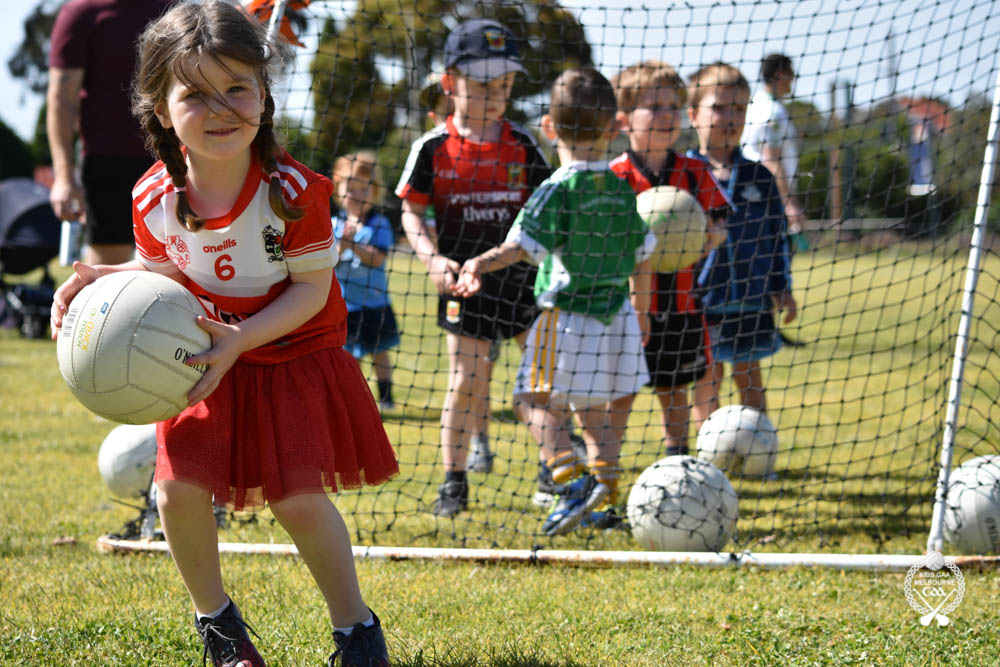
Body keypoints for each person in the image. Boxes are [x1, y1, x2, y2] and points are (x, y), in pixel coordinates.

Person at [49, 4, 397, 665]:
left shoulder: (295, 191)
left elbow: (311, 292)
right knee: (176, 490)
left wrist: (242, 338)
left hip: (292, 348)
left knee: (296, 498)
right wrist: (103, 275)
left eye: (237, 87)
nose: (221, 108)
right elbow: (160, 280)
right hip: (205, 352)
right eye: (195, 94)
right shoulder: (153, 194)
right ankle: (220, 629)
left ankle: (357, 630)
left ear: (264, 95)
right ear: (158, 107)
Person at [453, 67, 655, 536]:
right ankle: (604, 506)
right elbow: (645, 257)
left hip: (567, 318)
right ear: (614, 127)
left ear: (549, 128)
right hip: (618, 319)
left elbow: (518, 248)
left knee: (529, 400)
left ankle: (571, 483)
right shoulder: (625, 191)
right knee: (596, 416)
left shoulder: (555, 190)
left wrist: (477, 265)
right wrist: (641, 313)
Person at [395, 19, 552, 516]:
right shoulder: (431, 147)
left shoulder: (524, 145)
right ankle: (454, 482)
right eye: (483, 83)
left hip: (524, 280)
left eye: (504, 84)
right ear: (450, 83)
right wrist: (432, 259)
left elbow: (548, 211)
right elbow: (411, 210)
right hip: (462, 284)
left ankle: (555, 471)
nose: (495, 93)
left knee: (541, 378)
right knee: (466, 378)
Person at [610, 60, 731, 456]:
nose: (667, 116)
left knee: (674, 389)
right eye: (654, 107)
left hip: (681, 305)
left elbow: (720, 221)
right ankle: (603, 464)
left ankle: (675, 456)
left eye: (672, 107)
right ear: (624, 120)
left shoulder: (694, 171)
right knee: (616, 392)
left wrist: (710, 238)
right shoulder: (612, 176)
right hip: (624, 310)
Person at [686, 62, 797, 417]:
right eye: (718, 108)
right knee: (707, 375)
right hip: (703, 300)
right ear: (693, 115)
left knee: (750, 375)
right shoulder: (683, 175)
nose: (729, 118)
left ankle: (758, 450)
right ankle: (705, 454)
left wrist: (781, 285)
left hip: (753, 297)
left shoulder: (760, 177)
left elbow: (776, 236)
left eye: (738, 108)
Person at [46, 0, 175, 265]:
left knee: (179, 259)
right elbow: (62, 101)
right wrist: (63, 176)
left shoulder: (171, 7)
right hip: (109, 161)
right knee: (107, 265)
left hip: (173, 157)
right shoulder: (82, 12)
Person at [332, 151, 401, 413]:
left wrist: (354, 246)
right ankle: (356, 401)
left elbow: (377, 259)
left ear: (374, 192)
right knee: (351, 356)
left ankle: (386, 398)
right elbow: (330, 263)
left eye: (364, 189)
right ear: (339, 190)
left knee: (380, 352)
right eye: (350, 189)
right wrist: (341, 248)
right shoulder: (333, 223)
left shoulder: (379, 223)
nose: (357, 195)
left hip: (375, 305)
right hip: (346, 307)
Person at [740, 53, 808, 245]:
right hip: (768, 197)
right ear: (780, 74)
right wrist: (790, 204)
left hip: (753, 192)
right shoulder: (772, 111)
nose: (793, 79)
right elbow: (772, 160)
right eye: (791, 74)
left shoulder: (755, 105)